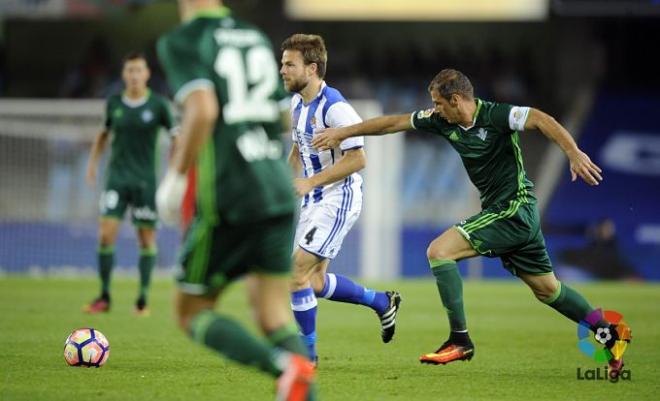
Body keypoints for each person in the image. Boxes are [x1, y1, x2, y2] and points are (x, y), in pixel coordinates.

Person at [312, 68, 631, 375]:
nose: (434, 109)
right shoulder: (441, 121)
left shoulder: (496, 115)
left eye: (438, 102)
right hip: (509, 214)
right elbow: (392, 123)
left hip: (514, 208)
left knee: (439, 251)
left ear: (457, 100)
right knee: (548, 290)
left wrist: (573, 152)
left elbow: (541, 119)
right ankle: (610, 335)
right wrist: (344, 132)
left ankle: (460, 340)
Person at [155, 1, 316, 400]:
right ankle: (298, 380)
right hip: (277, 186)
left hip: (232, 192)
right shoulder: (255, 37)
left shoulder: (184, 39)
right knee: (272, 313)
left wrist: (174, 179)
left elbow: (203, 110)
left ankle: (282, 368)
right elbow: (282, 117)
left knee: (191, 311)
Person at [280, 34, 402, 364]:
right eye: (282, 64)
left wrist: (311, 182)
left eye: (289, 64)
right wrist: (285, 178)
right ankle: (381, 302)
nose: (283, 70)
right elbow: (299, 146)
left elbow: (358, 159)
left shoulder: (336, 107)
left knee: (295, 275)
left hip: (338, 197)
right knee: (314, 282)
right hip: (313, 200)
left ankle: (307, 357)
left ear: (312, 67)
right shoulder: (296, 103)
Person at [84, 52, 177, 316]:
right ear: (124, 75)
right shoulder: (113, 103)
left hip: (145, 182)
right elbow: (103, 135)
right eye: (130, 71)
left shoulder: (159, 105)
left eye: (139, 70)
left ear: (147, 74)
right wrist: (92, 164)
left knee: (146, 240)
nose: (134, 75)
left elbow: (176, 137)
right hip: (117, 179)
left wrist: (176, 170)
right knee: (105, 234)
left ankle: (142, 300)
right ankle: (103, 296)